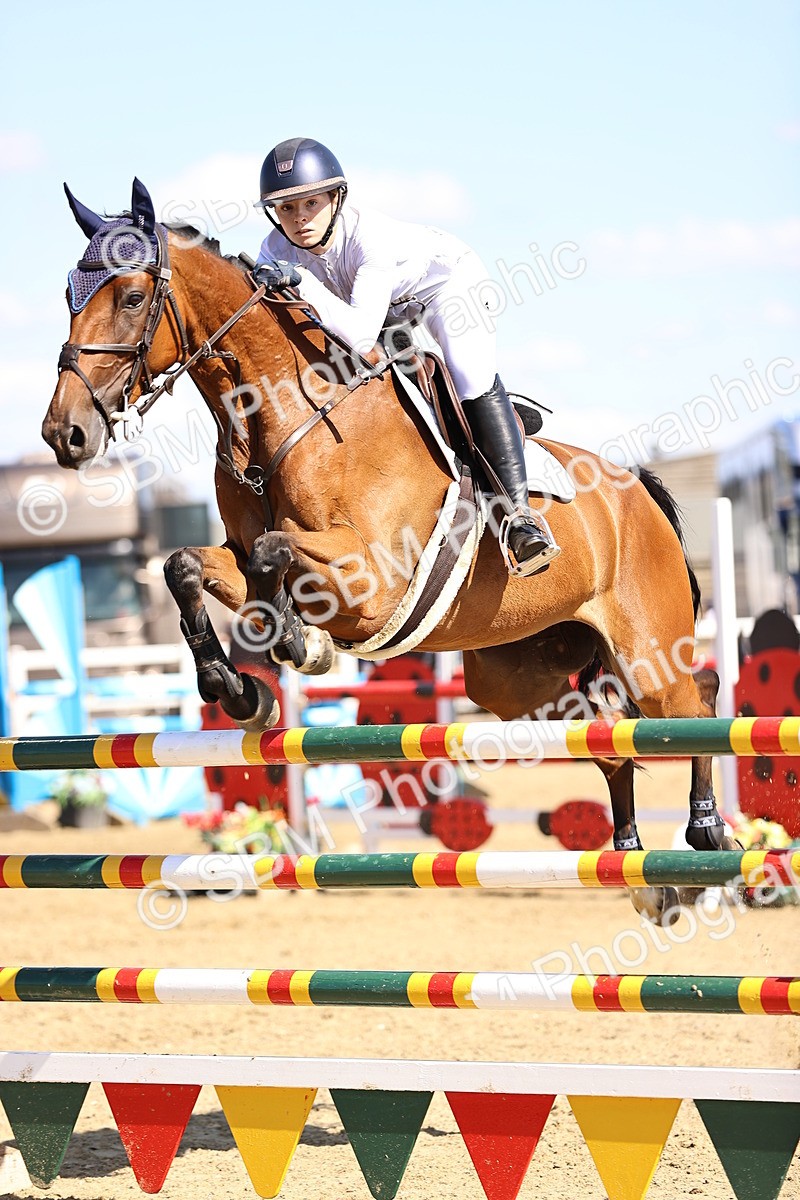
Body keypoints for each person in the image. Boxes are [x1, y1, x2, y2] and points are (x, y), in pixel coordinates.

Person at [253, 137, 560, 576]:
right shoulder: (273, 248)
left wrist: (300, 278)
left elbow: (359, 333)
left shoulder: (369, 238)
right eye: (285, 208)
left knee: (470, 375)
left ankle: (521, 520)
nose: (299, 219)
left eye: (310, 203)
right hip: (382, 317)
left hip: (446, 289)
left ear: (336, 198)